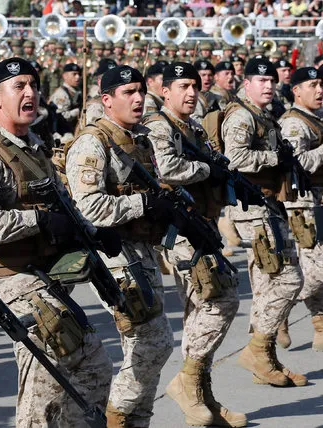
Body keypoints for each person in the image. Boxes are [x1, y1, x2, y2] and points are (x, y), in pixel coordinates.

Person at [0, 58, 114, 427]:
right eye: (18, 86)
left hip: (42, 272)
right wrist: (37, 220)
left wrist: (93, 231)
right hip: (7, 275)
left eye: (33, 85)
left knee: (95, 369)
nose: (30, 93)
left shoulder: (33, 147)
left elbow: (62, 206)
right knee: (47, 380)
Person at [66, 65, 175, 427]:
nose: (139, 98)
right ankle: (115, 414)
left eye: (141, 90)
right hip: (115, 256)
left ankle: (136, 420)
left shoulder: (141, 138)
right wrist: (143, 204)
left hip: (143, 251)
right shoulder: (93, 142)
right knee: (154, 341)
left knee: (142, 348)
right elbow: (88, 207)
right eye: (128, 92)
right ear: (107, 100)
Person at [144, 62, 245, 427]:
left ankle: (202, 396)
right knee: (220, 298)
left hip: (200, 225)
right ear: (165, 91)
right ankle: (187, 380)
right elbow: (166, 169)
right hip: (180, 229)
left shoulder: (193, 127)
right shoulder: (159, 125)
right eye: (183, 86)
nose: (191, 93)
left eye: (195, 86)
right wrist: (206, 169)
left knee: (199, 310)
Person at [221, 57, 306, 388]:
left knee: (269, 284)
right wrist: (274, 158)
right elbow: (235, 158)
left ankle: (265, 358)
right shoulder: (242, 116)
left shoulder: (263, 115)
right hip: (251, 208)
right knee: (286, 279)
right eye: (261, 80)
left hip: (268, 204)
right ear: (247, 84)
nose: (269, 85)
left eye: (272, 80)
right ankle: (256, 350)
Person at [275, 67, 323, 352]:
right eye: (313, 85)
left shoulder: (316, 118)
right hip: (302, 204)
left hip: (317, 201)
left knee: (313, 266)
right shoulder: (293, 123)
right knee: (316, 270)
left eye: (321, 84)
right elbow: (298, 163)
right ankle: (279, 308)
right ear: (297, 91)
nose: (320, 90)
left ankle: (319, 327)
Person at [49, 63, 83, 141]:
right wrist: (79, 111)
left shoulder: (77, 91)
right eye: (74, 74)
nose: (77, 77)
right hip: (64, 134)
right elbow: (62, 117)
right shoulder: (61, 94)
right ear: (65, 76)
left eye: (78, 74)